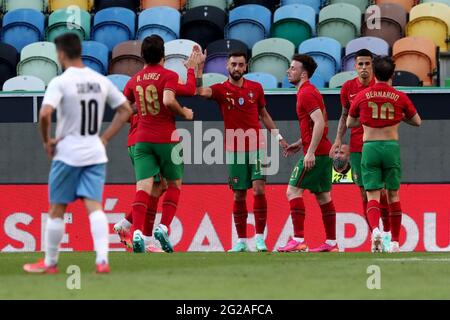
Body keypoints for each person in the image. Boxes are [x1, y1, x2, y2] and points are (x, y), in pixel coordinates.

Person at [23, 33, 132, 273]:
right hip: (94, 151)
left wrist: (46, 141)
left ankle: (50, 263)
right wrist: (104, 137)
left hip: (68, 153)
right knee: (94, 205)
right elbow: (125, 110)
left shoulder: (60, 81)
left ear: (61, 54)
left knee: (57, 208)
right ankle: (102, 260)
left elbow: (44, 114)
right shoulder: (99, 80)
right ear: (79, 51)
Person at [114, 46, 202, 253]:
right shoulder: (168, 76)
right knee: (171, 185)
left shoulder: (133, 80)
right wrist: (192, 69)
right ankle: (155, 231)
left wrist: (139, 111)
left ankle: (133, 229)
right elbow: (186, 92)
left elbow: (123, 112)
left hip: (140, 140)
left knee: (151, 187)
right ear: (163, 55)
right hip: (164, 138)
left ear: (142, 56)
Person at [197, 51, 288, 252]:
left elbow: (264, 114)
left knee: (259, 189)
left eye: (240, 65)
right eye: (233, 64)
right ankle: (241, 241)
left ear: (246, 67)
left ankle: (259, 238)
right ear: (227, 67)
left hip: (258, 146)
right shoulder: (221, 90)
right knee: (239, 195)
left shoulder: (256, 88)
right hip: (234, 149)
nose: (236, 68)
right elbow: (199, 92)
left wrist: (279, 138)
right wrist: (199, 68)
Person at [347, 56, 421, 253]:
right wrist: (400, 116)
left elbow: (349, 123)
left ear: (374, 73)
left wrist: (365, 119)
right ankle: (395, 242)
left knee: (372, 194)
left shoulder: (362, 95)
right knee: (393, 195)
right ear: (392, 75)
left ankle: (376, 231)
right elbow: (417, 121)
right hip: (390, 146)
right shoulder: (400, 96)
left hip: (369, 147)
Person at [330, 50, 392, 252]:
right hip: (357, 147)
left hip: (377, 145)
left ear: (372, 66)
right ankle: (375, 235)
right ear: (354, 67)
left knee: (381, 191)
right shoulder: (348, 88)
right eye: (360, 64)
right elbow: (344, 115)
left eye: (367, 63)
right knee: (364, 193)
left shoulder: (381, 85)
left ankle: (388, 234)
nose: (364, 67)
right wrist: (338, 139)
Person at [277, 54, 338, 253]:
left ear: (303, 74)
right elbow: (315, 124)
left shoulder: (306, 93)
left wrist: (309, 152)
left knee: (292, 191)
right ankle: (331, 243)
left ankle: (298, 240)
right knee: (323, 196)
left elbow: (320, 122)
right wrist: (299, 143)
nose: (288, 71)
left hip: (318, 153)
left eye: (293, 68)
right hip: (322, 150)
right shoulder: (307, 91)